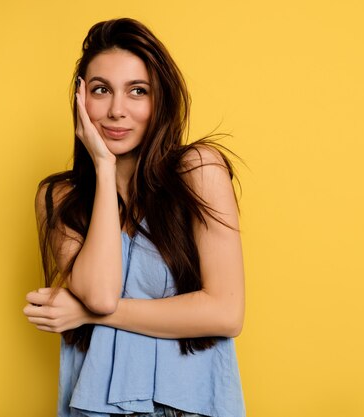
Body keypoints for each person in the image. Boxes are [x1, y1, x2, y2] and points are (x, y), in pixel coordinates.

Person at [23, 18, 245, 417]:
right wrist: (104, 170)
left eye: (137, 91)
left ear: (159, 101)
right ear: (79, 99)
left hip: (189, 408)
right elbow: (101, 292)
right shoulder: (60, 197)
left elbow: (225, 312)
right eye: (101, 90)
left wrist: (86, 314)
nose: (116, 111)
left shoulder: (198, 171)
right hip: (92, 407)